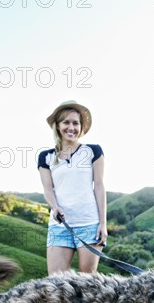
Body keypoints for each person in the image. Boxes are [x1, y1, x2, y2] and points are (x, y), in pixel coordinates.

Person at [38, 100, 107, 274]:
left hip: (89, 225)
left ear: (81, 127)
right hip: (59, 226)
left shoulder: (93, 151)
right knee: (55, 285)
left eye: (76, 123)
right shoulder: (46, 157)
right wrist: (55, 207)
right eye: (66, 122)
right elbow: (48, 189)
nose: (71, 127)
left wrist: (103, 224)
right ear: (58, 126)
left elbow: (99, 186)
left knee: (88, 285)